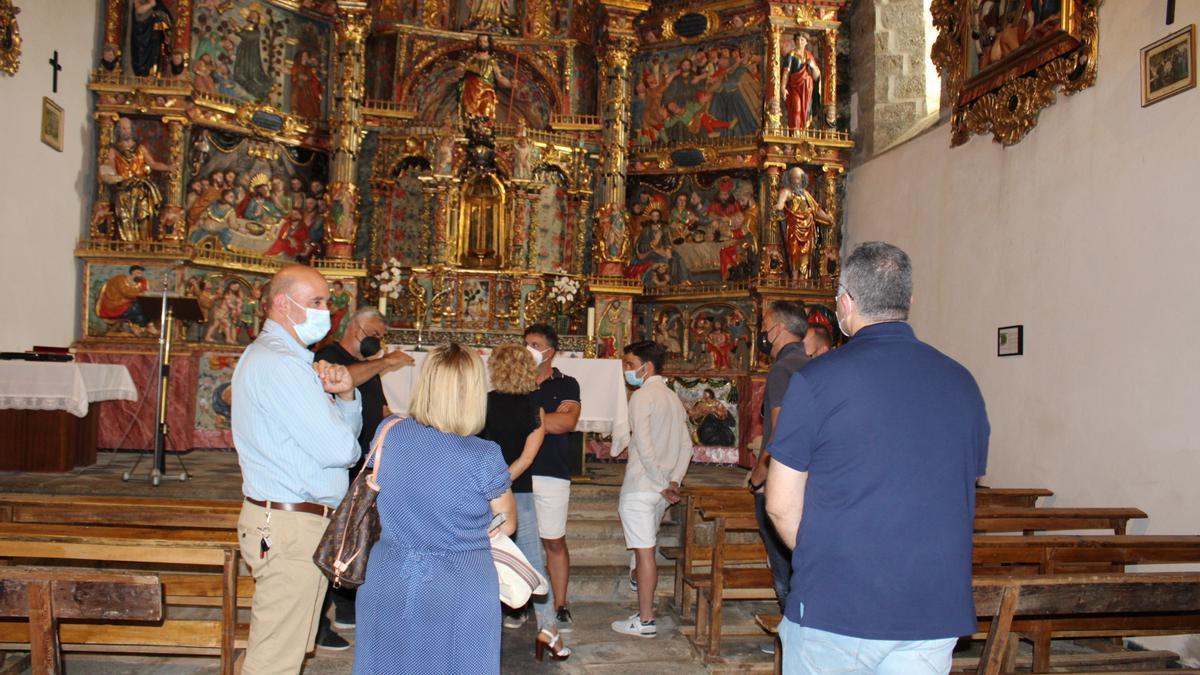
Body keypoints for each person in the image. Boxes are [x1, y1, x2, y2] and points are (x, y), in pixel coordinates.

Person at [766, 242, 990, 673]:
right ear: (908, 301)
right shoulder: (962, 382)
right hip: (932, 604)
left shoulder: (818, 380)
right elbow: (960, 481)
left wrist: (826, 556)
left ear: (845, 303)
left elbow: (779, 503)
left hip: (840, 603)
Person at [353, 343, 517, 674]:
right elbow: (507, 523)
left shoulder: (388, 432)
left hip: (389, 574)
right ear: (474, 392)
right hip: (459, 583)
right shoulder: (484, 455)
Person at [232, 264, 363, 674]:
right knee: (273, 663)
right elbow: (342, 449)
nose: (327, 312)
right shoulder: (282, 365)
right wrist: (340, 425)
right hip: (288, 528)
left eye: (327, 302)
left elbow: (339, 441)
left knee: (283, 653)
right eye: (317, 303)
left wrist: (345, 397)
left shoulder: (289, 360)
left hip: (292, 523)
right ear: (282, 304)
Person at [311, 308, 415, 650]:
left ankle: (345, 603)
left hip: (366, 461)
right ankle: (316, 623)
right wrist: (385, 361)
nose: (378, 341)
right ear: (356, 328)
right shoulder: (329, 356)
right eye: (375, 333)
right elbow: (345, 380)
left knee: (357, 535)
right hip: (337, 463)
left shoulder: (371, 369)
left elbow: (380, 410)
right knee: (335, 536)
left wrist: (415, 422)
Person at [479, 344, 571, 660]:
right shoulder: (536, 406)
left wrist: (493, 483)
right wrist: (505, 480)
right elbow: (528, 456)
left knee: (482, 560)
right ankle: (547, 629)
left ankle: (481, 629)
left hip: (482, 494)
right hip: (519, 490)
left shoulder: (484, 403)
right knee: (533, 562)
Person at [612, 340, 693, 638]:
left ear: (647, 367)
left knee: (645, 554)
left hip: (642, 487)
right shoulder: (672, 398)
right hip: (661, 490)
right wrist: (674, 481)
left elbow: (644, 447)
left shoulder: (642, 397)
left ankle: (645, 620)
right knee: (644, 546)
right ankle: (638, 586)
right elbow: (687, 445)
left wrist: (662, 483)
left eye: (631, 365)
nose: (627, 371)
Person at [746, 300, 809, 655]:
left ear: (781, 328)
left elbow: (780, 429)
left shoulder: (783, 369)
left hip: (780, 480)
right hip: (807, 477)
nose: (764, 335)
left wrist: (759, 473)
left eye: (767, 326)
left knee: (783, 564)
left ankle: (791, 638)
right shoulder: (811, 365)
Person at [523, 324, 581, 631]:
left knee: (554, 540)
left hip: (552, 471)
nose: (529, 349)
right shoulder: (514, 380)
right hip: (517, 472)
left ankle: (560, 604)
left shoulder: (567, 383)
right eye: (526, 344)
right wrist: (547, 418)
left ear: (550, 351)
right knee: (514, 540)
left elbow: (566, 422)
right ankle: (516, 603)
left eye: (535, 344)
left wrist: (528, 417)